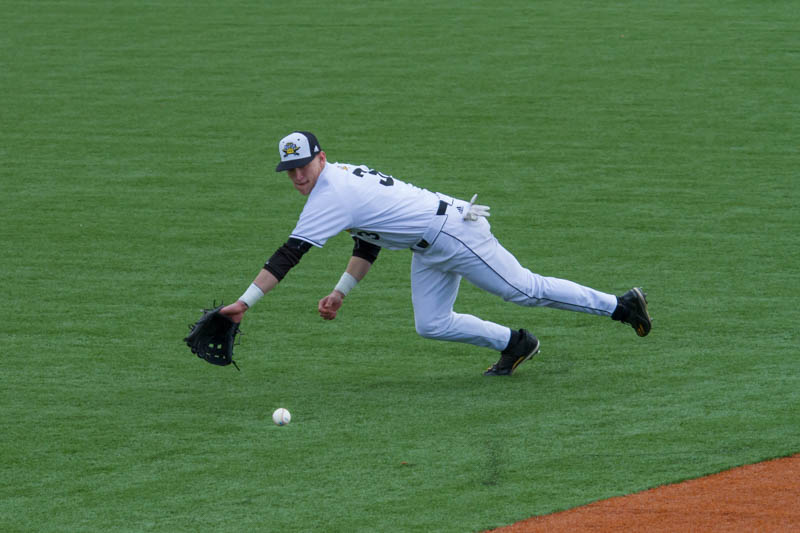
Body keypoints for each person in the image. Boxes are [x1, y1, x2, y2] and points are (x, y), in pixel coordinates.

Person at [220, 131, 652, 376]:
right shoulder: (340, 178)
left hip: (453, 233)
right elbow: (368, 239)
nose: (298, 175)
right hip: (427, 244)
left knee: (525, 289)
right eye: (290, 170)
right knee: (431, 324)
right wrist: (341, 292)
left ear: (321, 158)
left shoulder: (332, 194)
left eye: (304, 166)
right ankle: (516, 343)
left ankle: (621, 305)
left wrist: (245, 303)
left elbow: (287, 256)